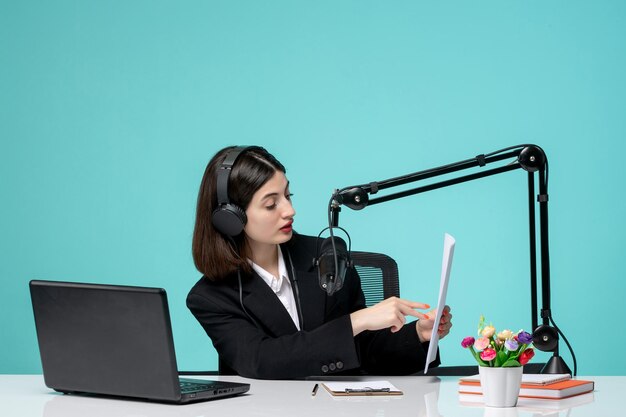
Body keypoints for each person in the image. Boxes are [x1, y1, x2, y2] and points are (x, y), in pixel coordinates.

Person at [187, 146, 453, 379]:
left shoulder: (327, 254)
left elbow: (362, 351)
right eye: (271, 204)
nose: (290, 210)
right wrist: (355, 321)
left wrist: (419, 334)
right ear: (230, 218)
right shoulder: (210, 297)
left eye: (288, 196)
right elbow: (260, 360)